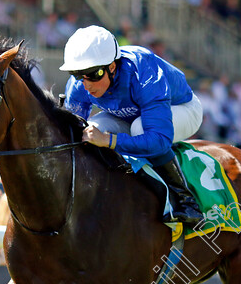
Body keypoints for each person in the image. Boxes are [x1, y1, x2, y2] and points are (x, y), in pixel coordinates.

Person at [60, 25, 203, 224]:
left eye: (94, 74)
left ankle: (186, 202)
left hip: (183, 109)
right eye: (78, 74)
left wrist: (109, 141)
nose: (87, 84)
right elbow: (72, 133)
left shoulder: (145, 73)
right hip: (130, 114)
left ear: (112, 67)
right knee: (91, 129)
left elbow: (159, 140)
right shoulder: (79, 85)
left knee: (139, 128)